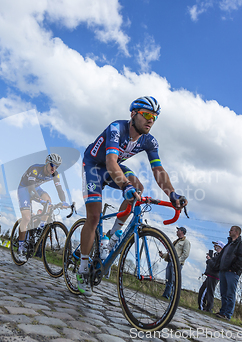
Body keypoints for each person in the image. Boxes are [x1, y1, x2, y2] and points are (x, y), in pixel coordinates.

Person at [77, 96, 187, 296]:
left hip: (113, 166)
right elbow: (111, 162)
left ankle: (111, 238)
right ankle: (83, 268)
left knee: (137, 187)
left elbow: (158, 170)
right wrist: (124, 185)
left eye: (154, 117)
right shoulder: (116, 129)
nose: (151, 120)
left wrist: (172, 194)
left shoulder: (149, 141)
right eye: (146, 115)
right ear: (133, 114)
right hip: (94, 166)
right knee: (93, 216)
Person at [16, 153, 68, 262]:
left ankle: (40, 227)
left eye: (57, 166)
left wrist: (63, 201)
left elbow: (59, 189)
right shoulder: (35, 169)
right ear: (47, 163)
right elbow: (30, 187)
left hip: (36, 188)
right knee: (26, 217)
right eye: (52, 165)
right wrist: (39, 200)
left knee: (49, 201)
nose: (54, 168)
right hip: (25, 188)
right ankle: (20, 248)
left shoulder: (55, 174)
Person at [215, 225, 242, 320]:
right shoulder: (228, 244)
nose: (229, 231)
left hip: (232, 272)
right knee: (223, 292)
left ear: (237, 232)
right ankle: (223, 311)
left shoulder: (241, 245)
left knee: (230, 293)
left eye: (231, 230)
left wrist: (233, 268)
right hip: (223, 271)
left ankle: (228, 314)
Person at [160, 226, 191, 299]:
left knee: (174, 281)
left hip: (177, 264)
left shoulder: (186, 242)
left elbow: (185, 254)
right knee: (168, 280)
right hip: (170, 262)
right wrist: (163, 255)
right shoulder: (176, 241)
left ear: (182, 232)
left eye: (178, 230)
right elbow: (170, 253)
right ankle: (166, 295)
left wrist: (177, 261)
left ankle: (173, 298)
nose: (176, 231)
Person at [198, 240, 225, 313]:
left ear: (220, 247)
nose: (214, 247)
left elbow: (216, 267)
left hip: (214, 276)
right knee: (208, 292)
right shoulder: (217, 255)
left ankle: (204, 307)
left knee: (205, 291)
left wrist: (209, 260)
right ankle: (207, 308)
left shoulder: (221, 257)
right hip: (212, 275)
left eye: (216, 245)